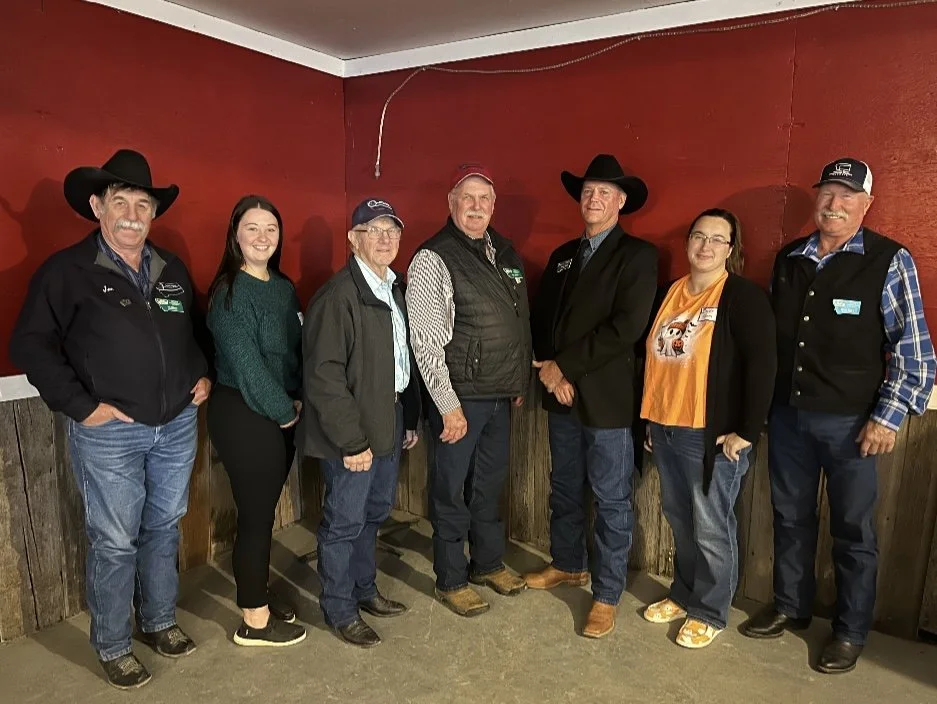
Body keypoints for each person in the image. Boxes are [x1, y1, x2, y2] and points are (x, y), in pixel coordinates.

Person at [9, 149, 211, 689]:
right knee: (115, 540)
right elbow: (30, 345)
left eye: (142, 205)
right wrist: (81, 406)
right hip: (110, 432)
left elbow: (194, 329)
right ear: (97, 207)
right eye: (120, 202)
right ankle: (114, 643)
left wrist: (202, 373)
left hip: (176, 424)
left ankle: (160, 620)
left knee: (164, 526)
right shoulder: (66, 272)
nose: (132, 215)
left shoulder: (171, 269)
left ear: (153, 213)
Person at [741, 158, 936, 674]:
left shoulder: (889, 260)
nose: (834, 203)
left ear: (866, 203)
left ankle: (850, 631)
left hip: (853, 426)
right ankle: (790, 606)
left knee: (853, 530)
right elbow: (769, 345)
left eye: (847, 195)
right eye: (827, 192)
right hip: (787, 418)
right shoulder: (789, 259)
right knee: (790, 519)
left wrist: (887, 418)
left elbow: (915, 353)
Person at [526, 154, 657, 638]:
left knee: (611, 497)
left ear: (621, 202)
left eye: (604, 192)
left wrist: (567, 367)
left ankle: (605, 594)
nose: (593, 198)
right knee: (564, 486)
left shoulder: (637, 256)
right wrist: (549, 372)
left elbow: (626, 327)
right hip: (559, 395)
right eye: (587, 191)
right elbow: (541, 319)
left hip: (606, 401)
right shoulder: (563, 255)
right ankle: (567, 563)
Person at [640, 208, 776, 648]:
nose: (706, 246)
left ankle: (711, 611)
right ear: (687, 242)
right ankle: (684, 594)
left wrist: (746, 432)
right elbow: (655, 361)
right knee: (680, 519)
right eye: (699, 236)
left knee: (711, 525)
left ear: (730, 249)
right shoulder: (669, 292)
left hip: (711, 434)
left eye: (718, 239)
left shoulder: (741, 296)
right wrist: (651, 419)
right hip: (666, 427)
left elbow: (762, 368)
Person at [406, 163, 531, 617]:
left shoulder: (505, 251)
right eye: (468, 198)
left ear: (493, 207)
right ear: (451, 203)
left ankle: (488, 563)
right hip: (458, 398)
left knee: (489, 484)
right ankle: (450, 577)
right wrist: (448, 407)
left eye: (484, 199)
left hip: (499, 395)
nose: (476, 207)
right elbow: (425, 342)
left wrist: (516, 382)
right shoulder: (432, 258)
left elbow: (518, 321)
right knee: (450, 487)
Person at [303, 198, 420, 647]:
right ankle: (339, 607)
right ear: (353, 239)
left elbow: (400, 360)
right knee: (344, 521)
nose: (385, 238)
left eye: (392, 229)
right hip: (352, 429)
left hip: (387, 416)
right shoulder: (338, 296)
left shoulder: (393, 287)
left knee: (374, 513)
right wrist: (351, 442)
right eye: (373, 229)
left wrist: (405, 417)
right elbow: (325, 378)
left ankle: (364, 590)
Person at [205, 195, 307, 648]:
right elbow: (247, 365)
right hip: (244, 411)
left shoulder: (283, 288)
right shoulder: (227, 293)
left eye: (271, 228)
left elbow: (294, 353)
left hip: (283, 410)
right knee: (257, 516)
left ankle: (258, 590)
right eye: (252, 228)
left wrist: (299, 400)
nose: (263, 237)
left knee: (263, 512)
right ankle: (255, 620)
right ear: (235, 235)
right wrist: (286, 413)